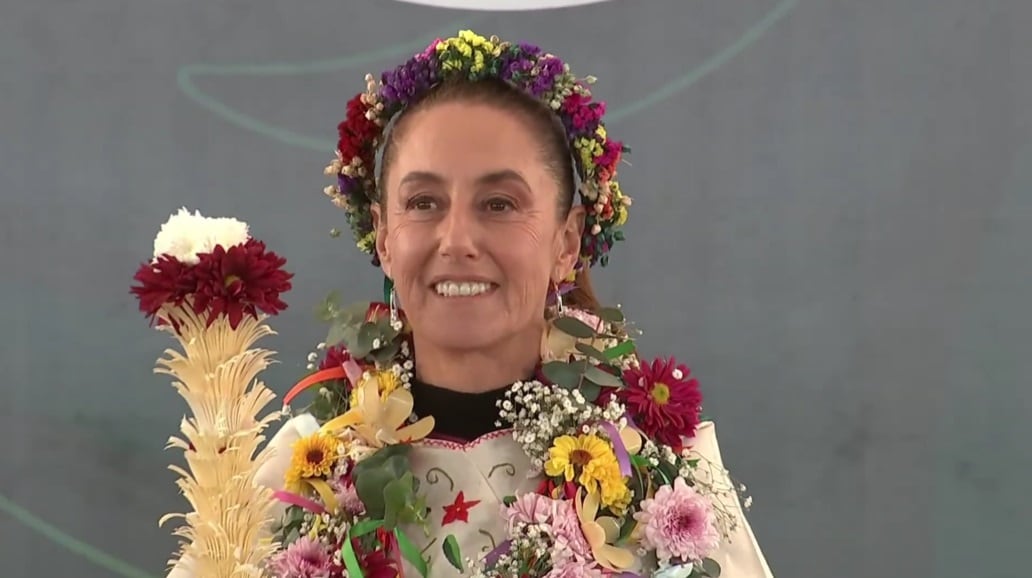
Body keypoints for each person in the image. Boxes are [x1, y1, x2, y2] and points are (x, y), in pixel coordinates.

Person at [167, 30, 773, 578]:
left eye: (499, 204)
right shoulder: (293, 477)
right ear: (382, 236)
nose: (456, 240)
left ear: (568, 241)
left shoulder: (663, 483)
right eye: (424, 202)